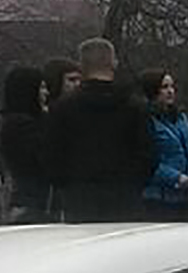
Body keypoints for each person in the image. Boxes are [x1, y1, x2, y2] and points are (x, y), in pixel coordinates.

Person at [44, 38, 153, 222]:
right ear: (113, 63)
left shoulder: (63, 107)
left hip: (79, 200)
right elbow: (147, 154)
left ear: (82, 66)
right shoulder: (134, 106)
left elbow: (52, 155)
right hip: (125, 199)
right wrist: (134, 184)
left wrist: (66, 185)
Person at [139, 69, 188, 222]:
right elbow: (147, 161)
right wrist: (174, 177)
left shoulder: (181, 117)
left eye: (172, 86)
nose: (170, 91)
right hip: (161, 199)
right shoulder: (145, 120)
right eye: (164, 87)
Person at [1, 67, 51, 224]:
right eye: (42, 87)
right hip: (30, 202)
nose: (46, 93)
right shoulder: (21, 126)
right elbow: (41, 158)